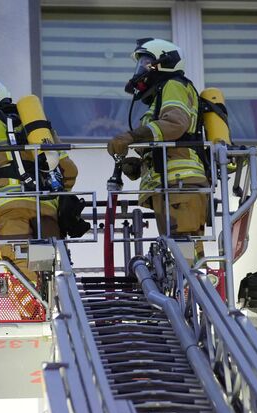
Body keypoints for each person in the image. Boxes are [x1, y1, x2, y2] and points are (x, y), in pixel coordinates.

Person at [0, 79, 78, 282]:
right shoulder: (40, 130)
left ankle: (33, 312)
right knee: (48, 269)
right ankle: (50, 306)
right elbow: (69, 170)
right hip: (46, 211)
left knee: (20, 267)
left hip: (10, 209)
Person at [106, 38, 208, 261]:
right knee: (179, 257)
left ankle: (195, 292)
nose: (140, 69)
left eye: (145, 62)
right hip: (172, 186)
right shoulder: (160, 95)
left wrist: (131, 136)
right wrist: (140, 164)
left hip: (181, 184)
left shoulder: (173, 85)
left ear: (163, 62)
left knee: (186, 258)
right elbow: (162, 140)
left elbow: (175, 124)